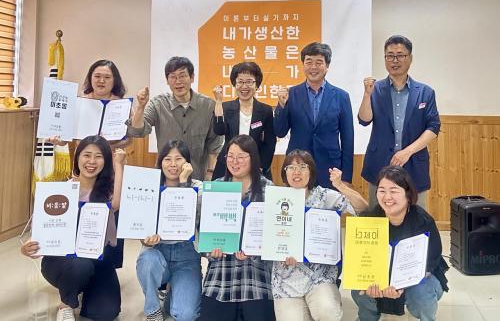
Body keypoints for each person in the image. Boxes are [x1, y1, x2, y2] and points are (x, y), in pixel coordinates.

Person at [21, 136, 125, 321]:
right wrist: (28, 247)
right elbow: (41, 230)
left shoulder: (107, 193)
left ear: (106, 161)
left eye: (98, 156)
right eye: (87, 155)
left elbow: (116, 202)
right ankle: (65, 305)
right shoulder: (61, 191)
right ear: (77, 157)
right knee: (80, 266)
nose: (92, 161)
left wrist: (119, 165)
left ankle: (81, 289)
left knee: (106, 312)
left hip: (97, 260)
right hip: (62, 263)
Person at [272, 149, 368, 321]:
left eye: (303, 167)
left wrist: (340, 185)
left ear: (311, 171)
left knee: (327, 312)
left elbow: (363, 209)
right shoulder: (275, 198)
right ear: (284, 172)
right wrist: (278, 252)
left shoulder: (324, 196)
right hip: (285, 280)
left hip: (320, 276)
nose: (296, 172)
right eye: (291, 167)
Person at [351, 166, 449, 321]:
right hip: (382, 276)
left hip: (418, 276)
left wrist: (401, 284)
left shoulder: (423, 222)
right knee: (359, 290)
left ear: (408, 194)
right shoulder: (370, 219)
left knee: (421, 294)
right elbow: (360, 261)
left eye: (394, 191)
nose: (387, 197)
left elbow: (430, 262)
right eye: (382, 190)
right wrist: (367, 281)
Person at [358, 35, 440, 208]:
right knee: (378, 216)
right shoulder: (375, 89)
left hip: (413, 163)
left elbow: (433, 127)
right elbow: (364, 120)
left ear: (410, 58)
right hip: (380, 163)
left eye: (400, 55)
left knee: (416, 216)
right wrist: (366, 95)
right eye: (389, 56)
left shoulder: (425, 92)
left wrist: (407, 152)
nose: (394, 60)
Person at [201, 135, 275, 321]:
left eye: (241, 156)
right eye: (230, 156)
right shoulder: (216, 188)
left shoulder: (270, 190)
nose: (234, 162)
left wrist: (256, 252)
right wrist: (210, 251)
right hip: (221, 273)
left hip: (255, 274)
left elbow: (276, 237)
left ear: (253, 158)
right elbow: (202, 232)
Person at [136, 140, 202, 321]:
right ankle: (152, 309)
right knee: (147, 261)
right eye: (167, 159)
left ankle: (173, 294)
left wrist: (183, 183)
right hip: (158, 250)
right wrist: (145, 240)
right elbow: (139, 225)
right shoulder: (148, 187)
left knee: (186, 315)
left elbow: (191, 218)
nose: (173, 164)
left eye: (178, 159)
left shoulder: (198, 187)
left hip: (187, 254)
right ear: (160, 162)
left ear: (187, 162)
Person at [127, 56, 223, 181]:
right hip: (166, 179)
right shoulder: (158, 104)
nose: (178, 81)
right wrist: (140, 107)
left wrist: (210, 172)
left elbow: (214, 144)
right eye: (172, 77)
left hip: (197, 177)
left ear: (192, 77)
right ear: (167, 80)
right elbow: (137, 131)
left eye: (182, 76)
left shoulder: (208, 105)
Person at [274, 42, 354, 187]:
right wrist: (281, 106)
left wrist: (346, 177)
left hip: (330, 168)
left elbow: (348, 139)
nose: (313, 67)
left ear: (327, 66)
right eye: (309, 62)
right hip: (297, 167)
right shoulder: (291, 94)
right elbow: (280, 132)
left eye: (319, 62)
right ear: (303, 65)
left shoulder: (341, 96)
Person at [212, 61, 276, 180]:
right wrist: (219, 102)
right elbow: (219, 130)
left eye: (249, 82)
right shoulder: (225, 107)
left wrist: (262, 166)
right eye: (240, 82)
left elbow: (270, 142)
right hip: (228, 164)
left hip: (256, 164)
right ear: (234, 84)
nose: (244, 86)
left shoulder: (265, 110)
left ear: (257, 85)